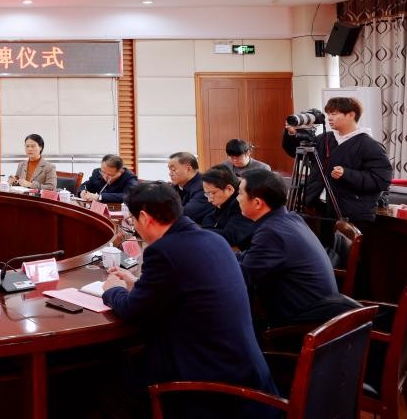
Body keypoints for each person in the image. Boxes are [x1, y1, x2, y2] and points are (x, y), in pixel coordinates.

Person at [101, 182, 276, 419]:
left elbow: (133, 311)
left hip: (210, 382)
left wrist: (114, 290)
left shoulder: (163, 250)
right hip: (246, 371)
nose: (135, 226)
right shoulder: (214, 240)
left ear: (144, 217)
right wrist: (137, 284)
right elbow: (184, 289)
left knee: (111, 383)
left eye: (132, 220)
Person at [237, 169, 352, 326]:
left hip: (304, 322)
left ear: (257, 203)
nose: (237, 199)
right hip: (319, 306)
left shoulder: (271, 232)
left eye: (240, 194)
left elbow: (243, 275)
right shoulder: (290, 218)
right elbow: (252, 257)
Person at [281, 97, 392, 223]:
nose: (329, 118)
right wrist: (292, 134)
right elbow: (296, 152)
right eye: (328, 114)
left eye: (334, 114)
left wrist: (347, 174)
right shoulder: (325, 138)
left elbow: (381, 180)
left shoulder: (369, 145)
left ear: (351, 115)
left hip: (350, 213)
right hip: (318, 207)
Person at [199, 165, 257, 250]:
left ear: (229, 189)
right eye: (207, 194)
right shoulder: (225, 200)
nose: (209, 199)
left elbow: (230, 237)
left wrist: (200, 232)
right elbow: (209, 217)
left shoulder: (241, 203)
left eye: (212, 193)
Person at [167, 151, 214, 224]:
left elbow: (186, 214)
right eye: (169, 170)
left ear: (188, 169)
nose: (170, 173)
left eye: (173, 169)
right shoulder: (175, 186)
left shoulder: (204, 186)